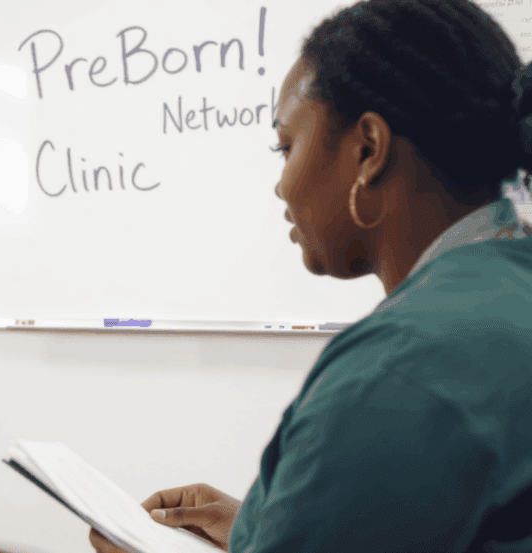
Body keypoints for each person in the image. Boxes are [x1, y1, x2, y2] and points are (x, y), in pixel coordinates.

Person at [91, 0, 532, 551]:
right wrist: (259, 522)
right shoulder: (511, 284)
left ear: (369, 149)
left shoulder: (398, 369)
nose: (281, 186)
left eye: (286, 146)